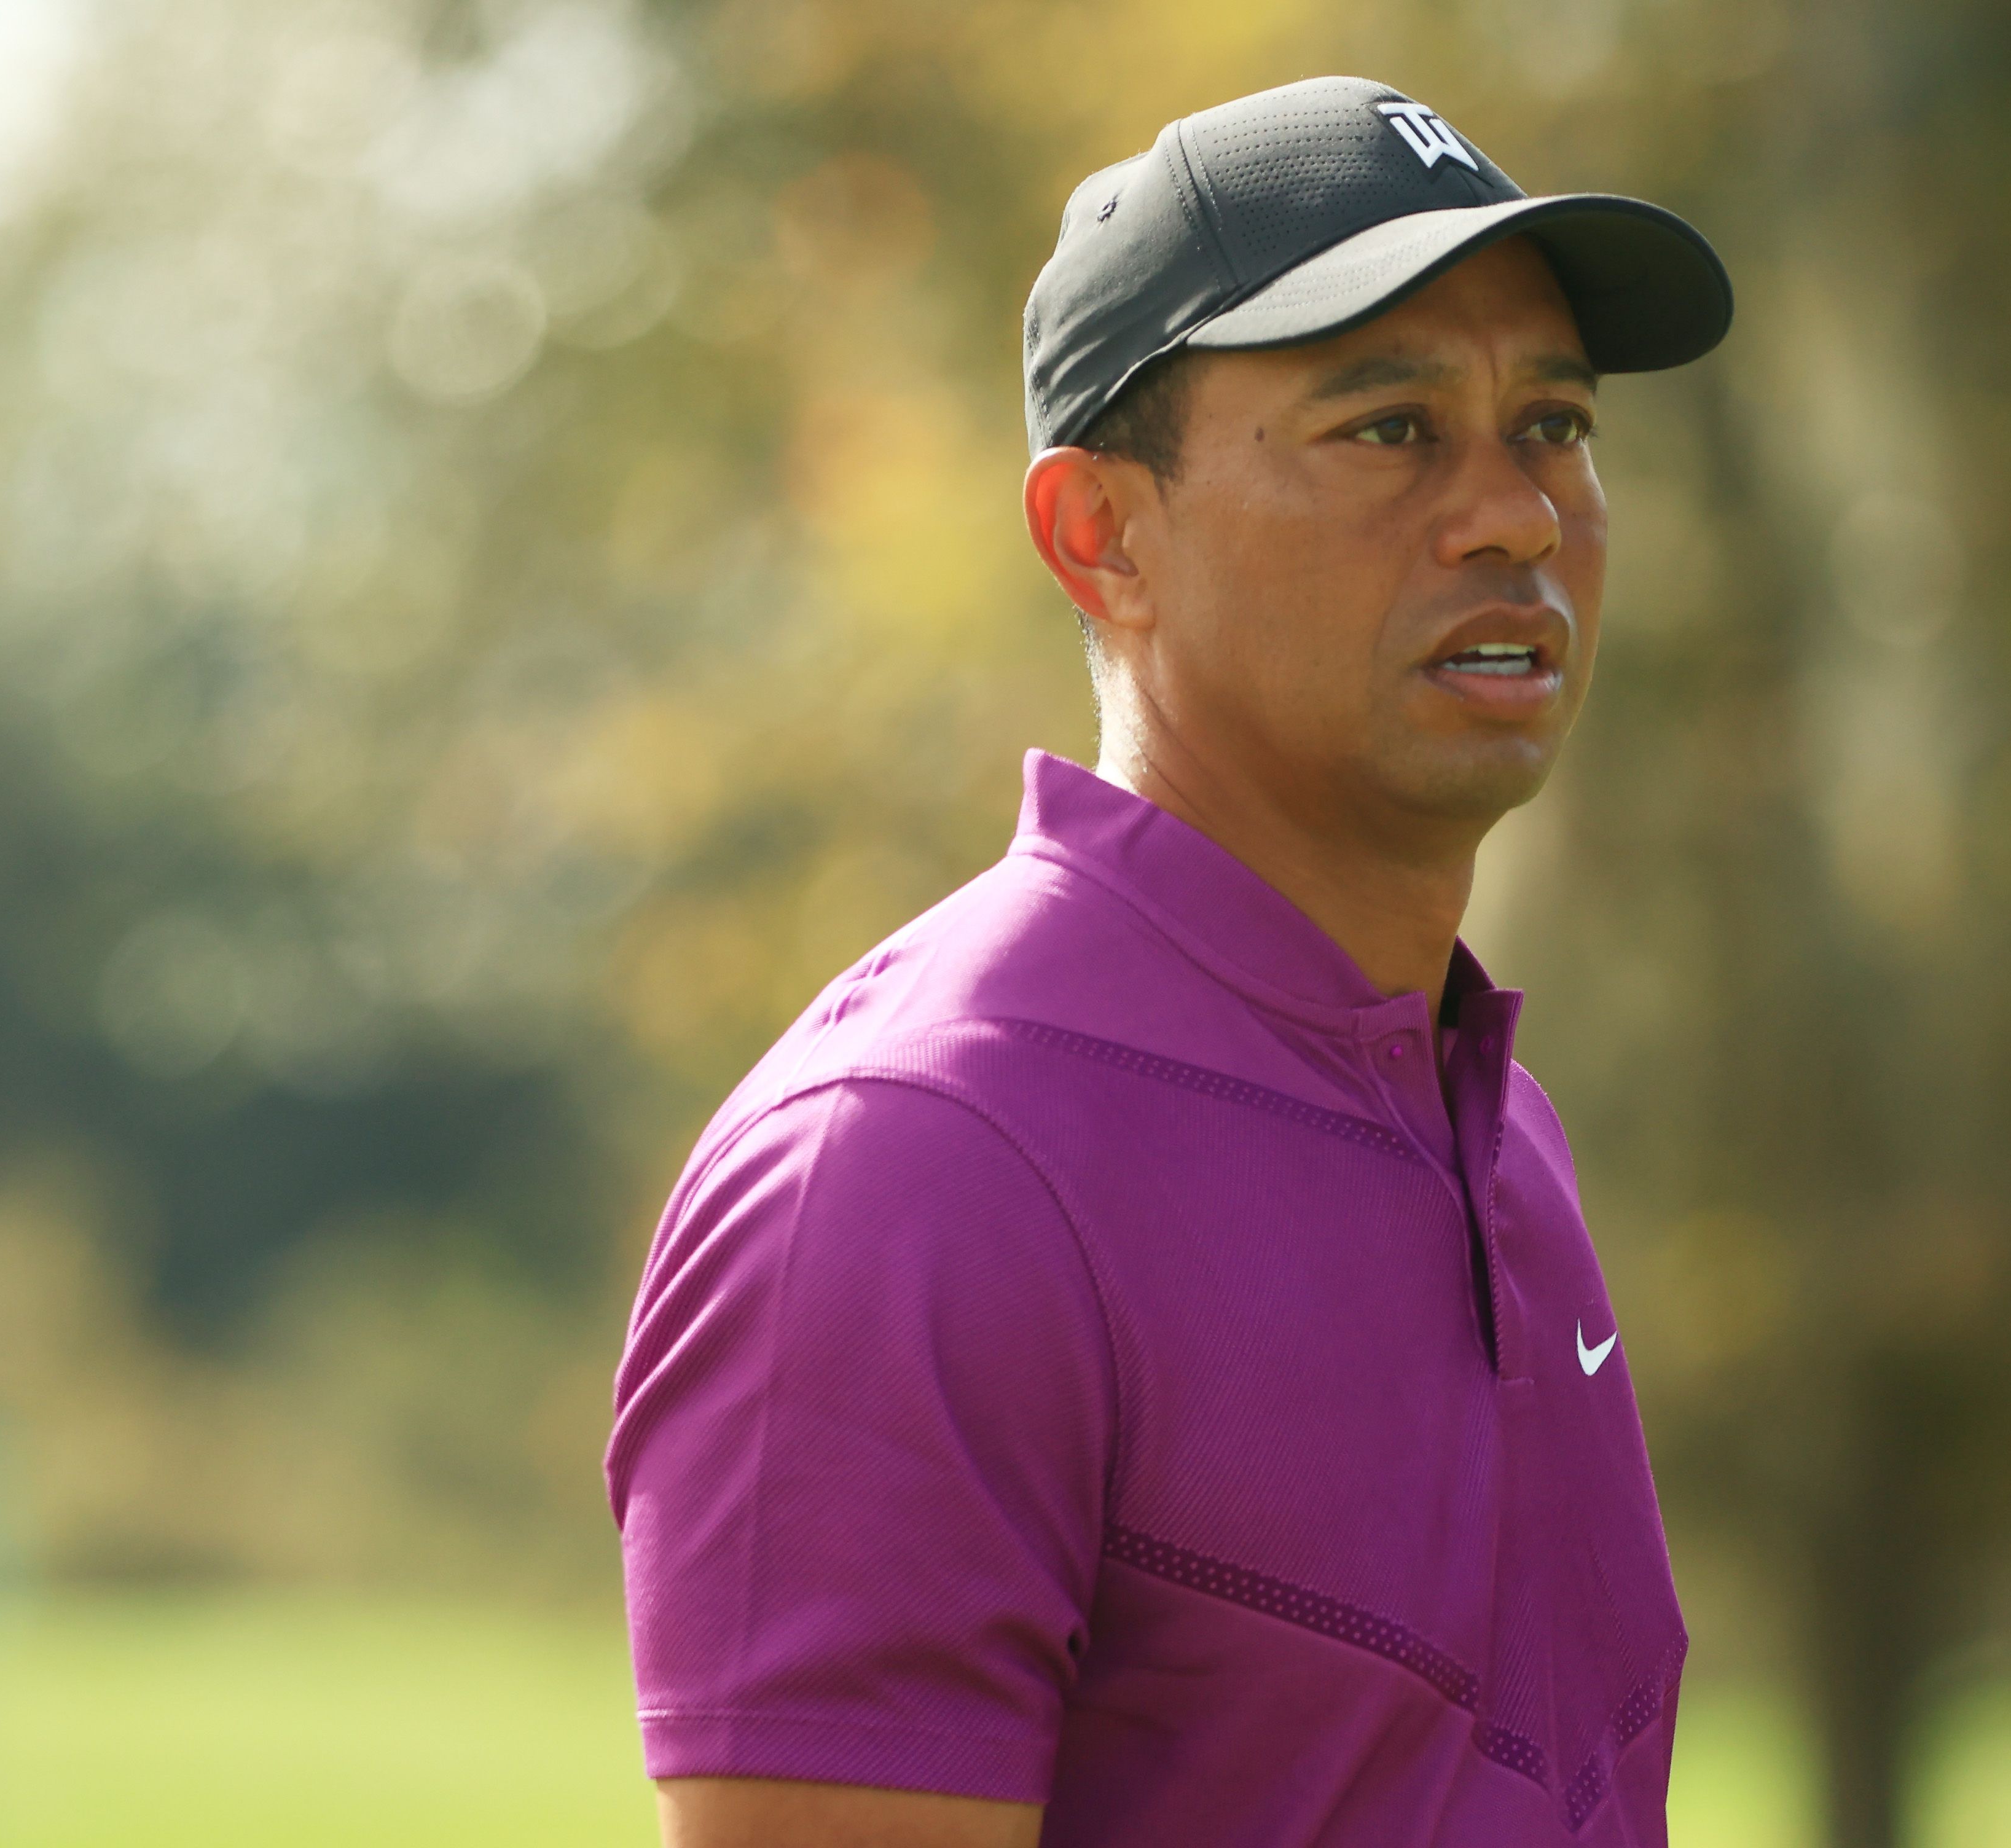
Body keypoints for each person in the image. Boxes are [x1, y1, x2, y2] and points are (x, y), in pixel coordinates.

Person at [605, 74, 1733, 1848]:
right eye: (1388, 428)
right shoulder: (913, 1169)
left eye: (1557, 424)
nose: (1515, 514)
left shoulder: (1504, 1138)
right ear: (1098, 536)